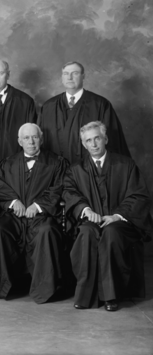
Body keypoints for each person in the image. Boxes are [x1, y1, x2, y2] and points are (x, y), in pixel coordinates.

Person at [63, 121, 152, 311]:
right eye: (88, 140)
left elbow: (138, 195)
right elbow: (69, 192)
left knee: (111, 233)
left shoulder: (125, 164)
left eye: (97, 138)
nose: (93, 144)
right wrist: (86, 210)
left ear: (106, 139)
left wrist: (117, 215)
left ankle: (111, 296)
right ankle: (85, 296)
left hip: (119, 222)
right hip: (91, 220)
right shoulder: (76, 169)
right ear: (83, 144)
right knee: (86, 233)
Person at [0, 123, 68, 304]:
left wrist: (38, 206)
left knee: (47, 232)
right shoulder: (8, 163)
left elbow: (60, 187)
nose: (31, 142)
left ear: (41, 139)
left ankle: (44, 289)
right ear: (19, 141)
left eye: (35, 137)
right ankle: (6, 285)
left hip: (42, 216)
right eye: (26, 138)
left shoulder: (56, 163)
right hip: (15, 217)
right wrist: (13, 202)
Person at [39, 61, 131, 164]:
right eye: (66, 74)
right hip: (55, 172)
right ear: (62, 77)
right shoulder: (48, 106)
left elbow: (113, 143)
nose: (69, 77)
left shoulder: (100, 104)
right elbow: (39, 143)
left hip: (88, 174)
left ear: (83, 76)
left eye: (75, 73)